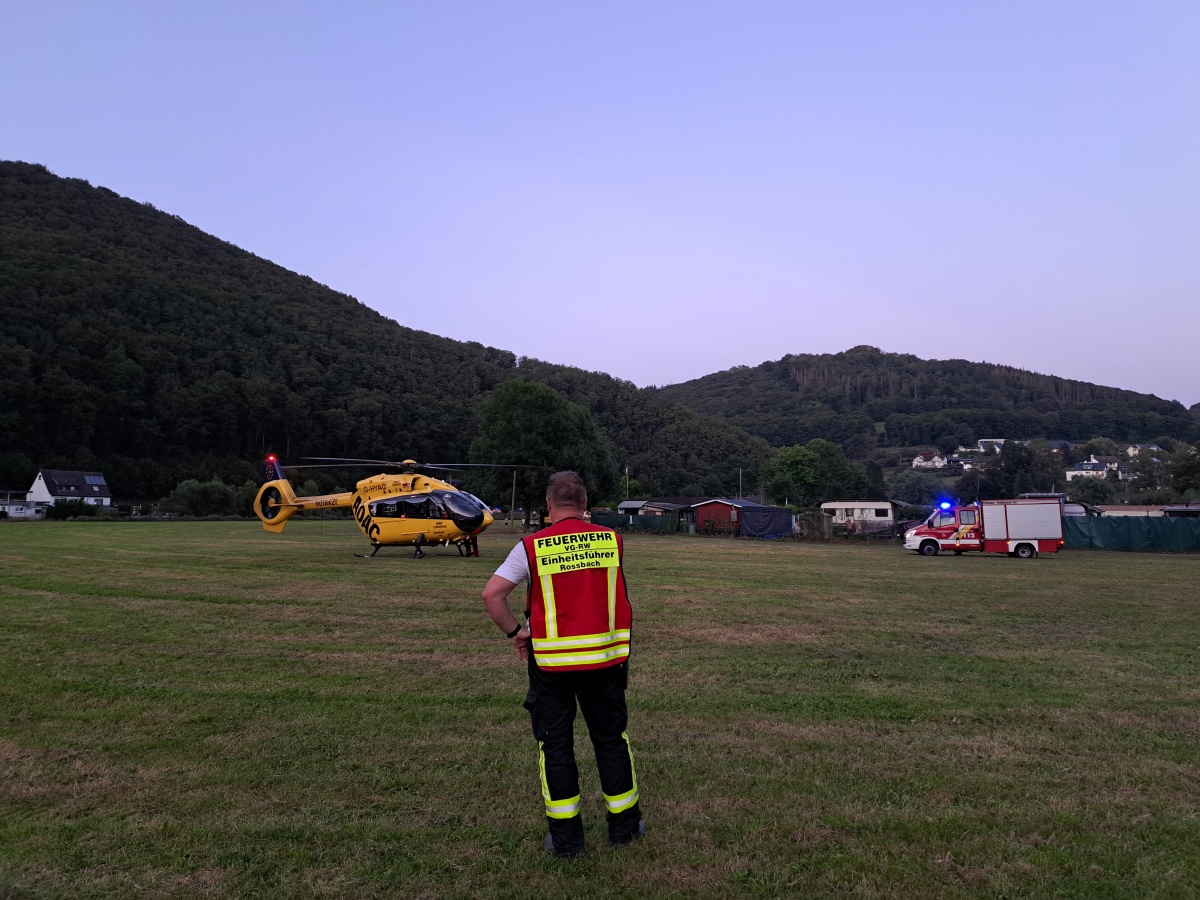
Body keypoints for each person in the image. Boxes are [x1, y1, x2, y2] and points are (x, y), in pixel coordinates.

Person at [482, 471, 644, 858]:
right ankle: (624, 829)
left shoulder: (531, 546)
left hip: (552, 665)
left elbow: (492, 595)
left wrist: (515, 633)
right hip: (605, 661)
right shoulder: (612, 541)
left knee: (555, 746)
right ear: (585, 506)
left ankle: (568, 841)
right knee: (611, 740)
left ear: (549, 507)